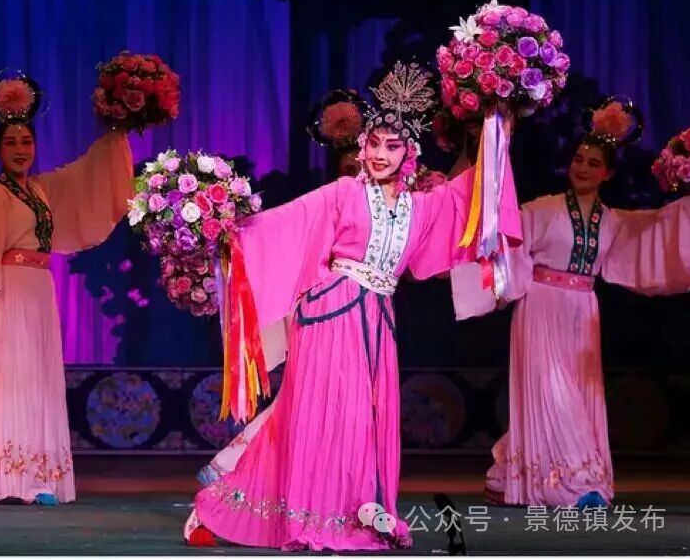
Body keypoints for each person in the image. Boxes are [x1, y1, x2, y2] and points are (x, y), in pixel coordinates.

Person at [185, 62, 522, 551]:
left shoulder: (421, 207)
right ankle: (258, 511)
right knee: (315, 419)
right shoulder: (343, 193)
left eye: (393, 146)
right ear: (361, 147)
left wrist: (497, 127)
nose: (381, 154)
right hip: (329, 314)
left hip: (377, 320)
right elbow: (283, 225)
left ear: (409, 152)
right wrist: (221, 225)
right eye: (374, 144)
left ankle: (354, 511)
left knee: (362, 422)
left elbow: (476, 194)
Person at [470, 98, 690, 508]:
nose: (583, 168)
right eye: (579, 159)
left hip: (583, 311)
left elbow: (658, 230)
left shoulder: (613, 221)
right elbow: (503, 243)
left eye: (594, 163)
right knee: (554, 395)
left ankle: (516, 474)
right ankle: (575, 482)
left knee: (575, 393)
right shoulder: (541, 209)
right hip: (540, 308)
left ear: (607, 173)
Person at [0, 72, 134, 505]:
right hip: (9, 294)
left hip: (38, 291)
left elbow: (84, 174)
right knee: (11, 378)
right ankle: (17, 479)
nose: (20, 149)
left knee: (37, 378)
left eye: (26, 141)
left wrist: (118, 133)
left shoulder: (41, 189)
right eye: (11, 143)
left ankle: (17, 473)